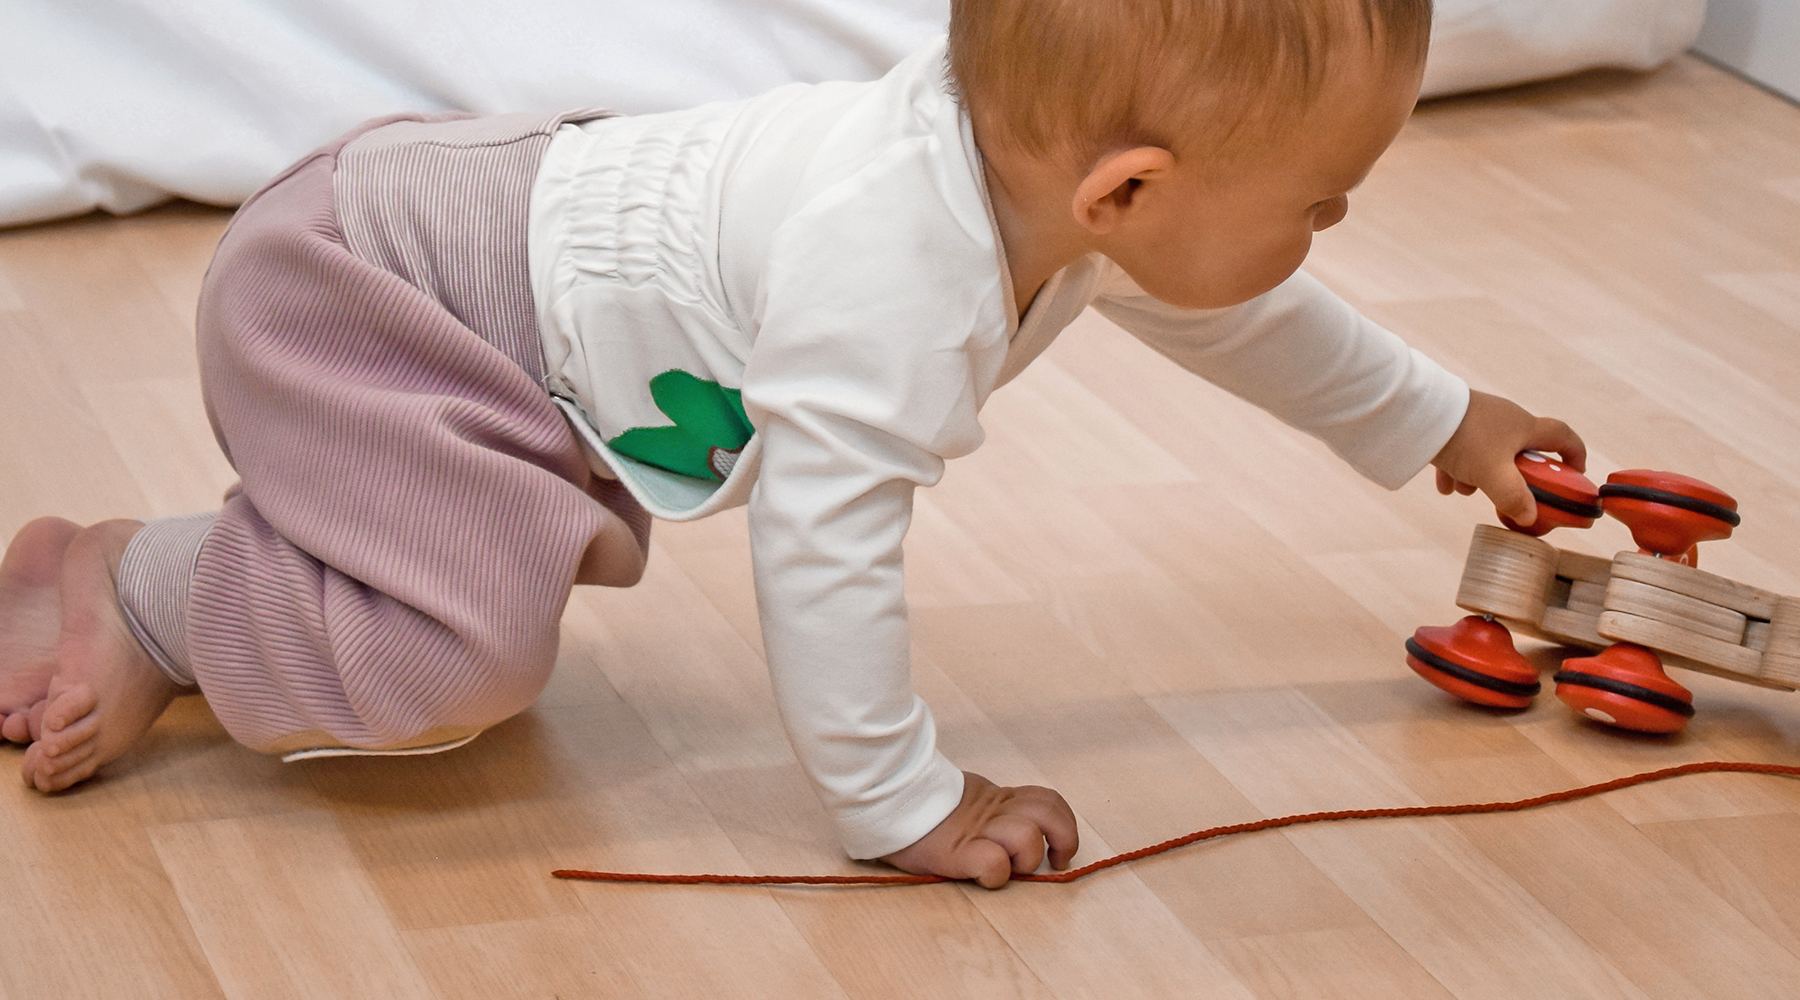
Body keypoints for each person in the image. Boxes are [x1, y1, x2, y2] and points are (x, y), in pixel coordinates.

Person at [0, 0, 1584, 888]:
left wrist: (1445, 423)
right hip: (370, 289)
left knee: (473, 603)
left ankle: (251, 560)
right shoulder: (887, 269)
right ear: (1128, 191)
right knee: (462, 661)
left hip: (458, 268)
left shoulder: (1057, 194)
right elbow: (822, 546)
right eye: (1318, 201)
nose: (1331, 227)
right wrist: (904, 803)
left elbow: (1232, 309)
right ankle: (147, 585)